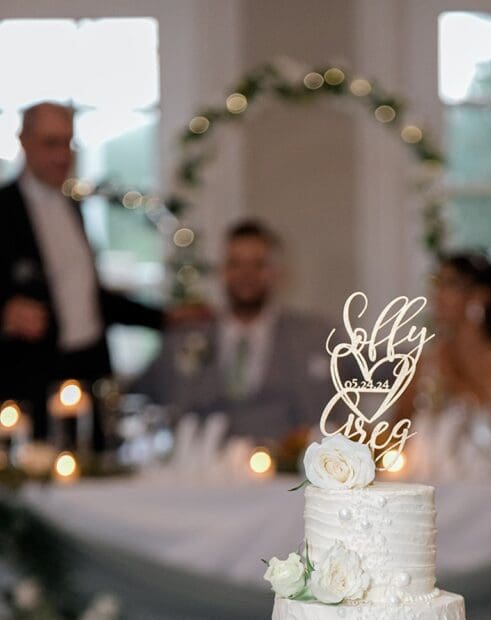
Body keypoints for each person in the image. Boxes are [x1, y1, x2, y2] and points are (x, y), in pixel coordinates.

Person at [0, 102, 164, 444]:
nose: (62, 154)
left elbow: (89, 297)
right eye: (51, 143)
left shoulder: (73, 207)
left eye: (68, 143)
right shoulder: (3, 210)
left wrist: (166, 318)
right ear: (23, 141)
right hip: (28, 382)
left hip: (88, 374)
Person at [137, 219, 335, 441]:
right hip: (202, 465)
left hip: (284, 465)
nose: (246, 274)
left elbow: (368, 371)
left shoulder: (312, 336)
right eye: (235, 264)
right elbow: (139, 393)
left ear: (275, 273)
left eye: (257, 264)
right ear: (222, 271)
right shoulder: (186, 335)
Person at [406, 253, 491, 437]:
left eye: (450, 284)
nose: (437, 294)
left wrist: (459, 381)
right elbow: (396, 431)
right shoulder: (424, 362)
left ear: (479, 296)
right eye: (437, 283)